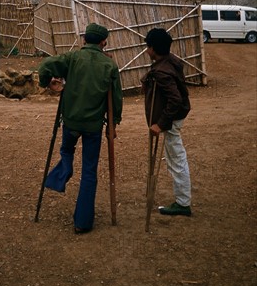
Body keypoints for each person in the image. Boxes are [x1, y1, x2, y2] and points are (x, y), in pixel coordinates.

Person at [38, 23, 123, 234]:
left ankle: (65, 168)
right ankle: (82, 223)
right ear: (104, 42)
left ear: (84, 39)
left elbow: (46, 65)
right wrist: (113, 124)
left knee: (66, 150)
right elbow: (117, 98)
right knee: (89, 171)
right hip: (93, 126)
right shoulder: (109, 66)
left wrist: (46, 83)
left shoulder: (72, 58)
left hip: (71, 122)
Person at [141, 28, 192, 216]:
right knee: (175, 159)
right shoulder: (171, 61)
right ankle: (182, 200)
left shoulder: (162, 71)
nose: (147, 51)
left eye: (148, 47)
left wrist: (160, 124)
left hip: (171, 121)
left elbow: (175, 99)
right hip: (175, 118)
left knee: (176, 160)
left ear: (153, 48)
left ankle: (183, 203)